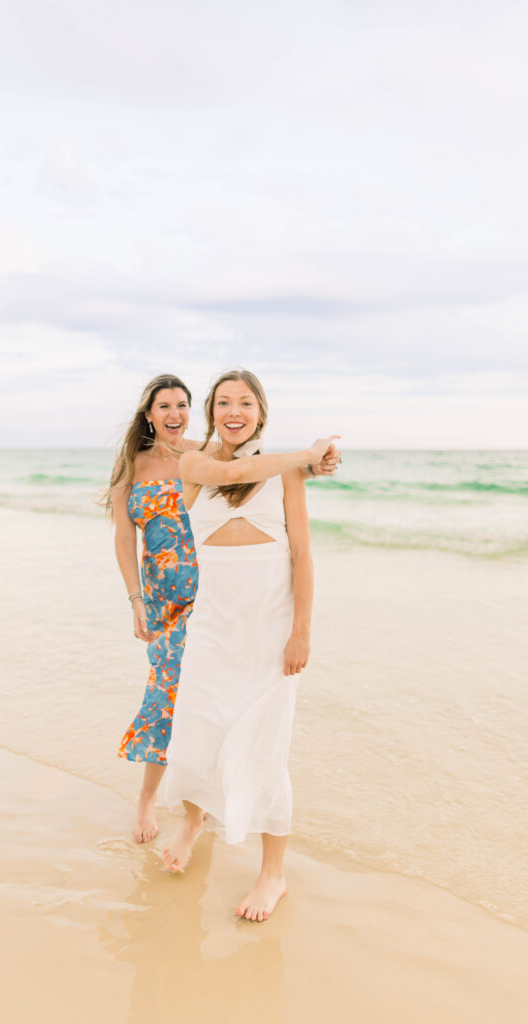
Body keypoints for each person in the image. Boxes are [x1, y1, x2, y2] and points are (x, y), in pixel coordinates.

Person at [107, 373, 339, 845]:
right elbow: (123, 536)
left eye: (182, 405)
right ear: (148, 414)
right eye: (164, 406)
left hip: (206, 590)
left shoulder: (204, 450)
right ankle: (157, 800)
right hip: (162, 597)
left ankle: (198, 808)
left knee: (189, 697)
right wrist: (135, 598)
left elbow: (250, 464)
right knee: (171, 696)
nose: (174, 414)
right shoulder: (134, 463)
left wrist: (315, 465)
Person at [161, 368, 339, 922]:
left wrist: (301, 631)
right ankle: (193, 821)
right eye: (222, 403)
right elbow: (237, 468)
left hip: (269, 628)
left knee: (266, 746)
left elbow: (302, 558)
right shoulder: (195, 466)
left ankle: (273, 874)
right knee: (197, 727)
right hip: (213, 624)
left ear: (260, 411)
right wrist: (306, 455)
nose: (232, 411)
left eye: (244, 402)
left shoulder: (287, 476)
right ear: (211, 412)